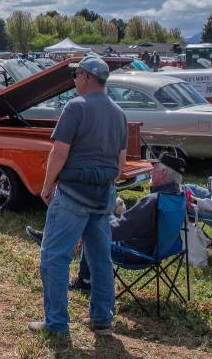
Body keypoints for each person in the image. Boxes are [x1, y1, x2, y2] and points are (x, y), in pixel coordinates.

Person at [29, 56, 127, 338]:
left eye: (75, 75)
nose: (74, 80)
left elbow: (59, 152)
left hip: (73, 192)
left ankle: (57, 323)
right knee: (100, 259)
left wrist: (47, 186)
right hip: (104, 194)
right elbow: (120, 165)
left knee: (54, 257)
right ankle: (102, 321)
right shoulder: (119, 113)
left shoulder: (76, 106)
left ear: (85, 76)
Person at [70, 153, 185, 290]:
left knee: (93, 223)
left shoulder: (152, 201)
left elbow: (119, 230)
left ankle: (85, 280)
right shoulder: (178, 197)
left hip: (133, 254)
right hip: (158, 250)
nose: (150, 170)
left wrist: (86, 230)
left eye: (154, 167)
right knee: (102, 216)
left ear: (163, 172)